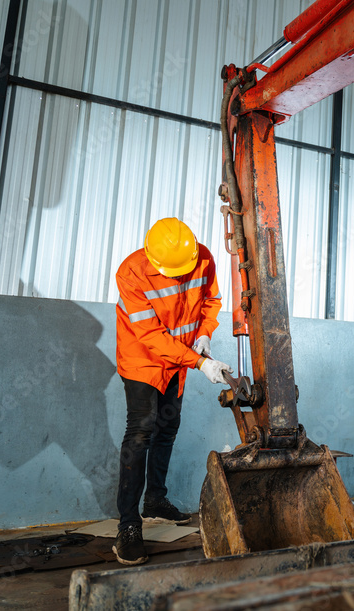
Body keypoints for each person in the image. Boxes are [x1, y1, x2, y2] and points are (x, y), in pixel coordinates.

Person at [112, 217, 232, 566]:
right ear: (152, 258)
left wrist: (205, 333)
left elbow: (211, 301)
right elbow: (149, 336)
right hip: (143, 358)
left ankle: (156, 501)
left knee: (168, 427)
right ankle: (129, 526)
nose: (181, 276)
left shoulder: (203, 258)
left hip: (180, 357)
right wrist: (198, 362)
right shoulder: (131, 272)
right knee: (141, 431)